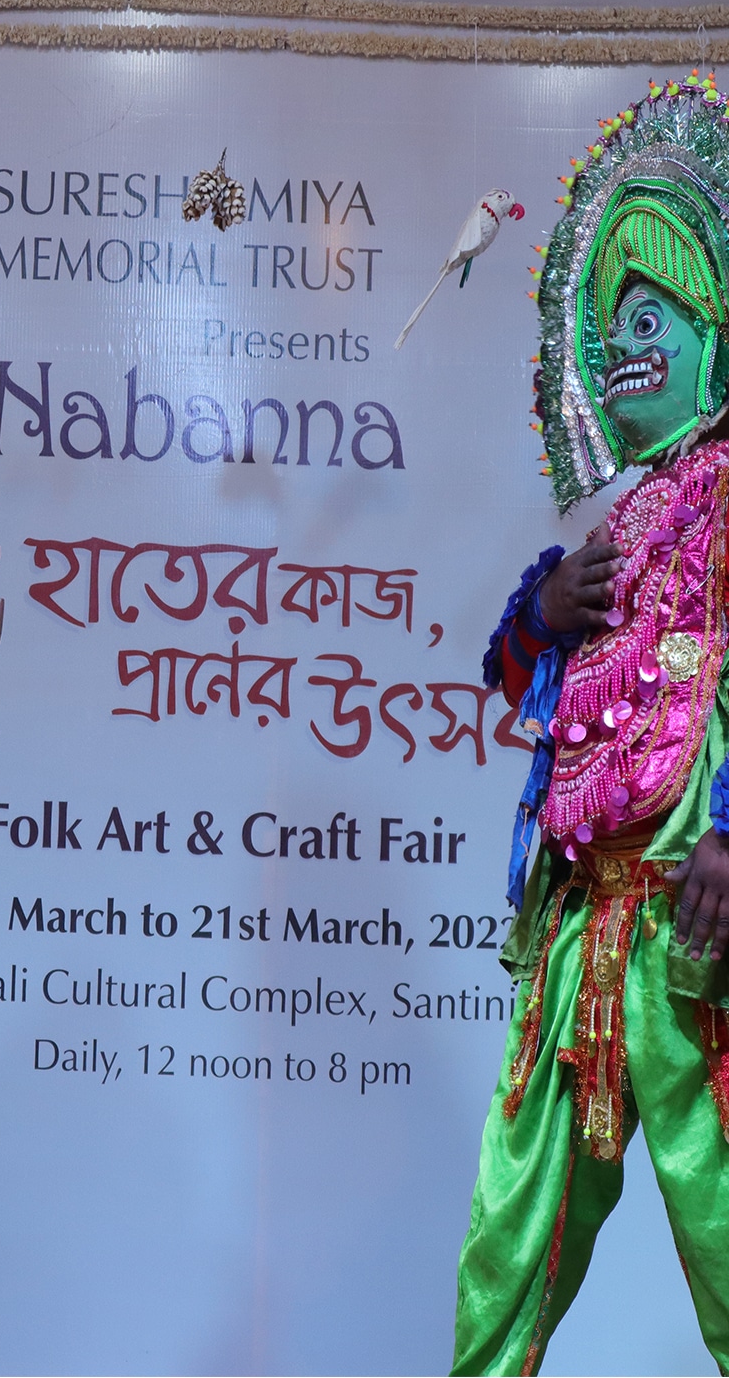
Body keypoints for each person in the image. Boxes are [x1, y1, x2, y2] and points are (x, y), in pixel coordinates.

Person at [453, 73, 729, 1377]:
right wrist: (546, 607)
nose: (624, 344)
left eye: (653, 315)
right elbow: (511, 677)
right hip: (577, 926)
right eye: (609, 319)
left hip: (696, 933)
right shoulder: (619, 522)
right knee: (510, 1231)